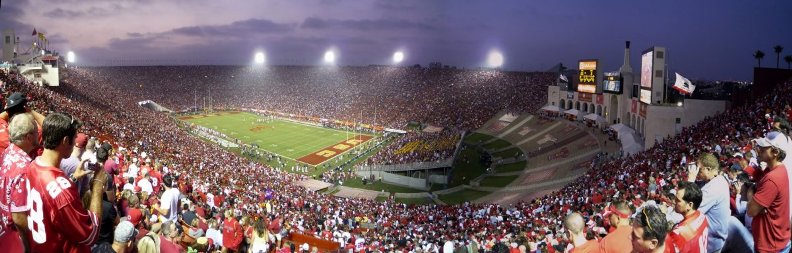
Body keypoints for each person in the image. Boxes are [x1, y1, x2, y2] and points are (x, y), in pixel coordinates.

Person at [22, 112, 109, 252]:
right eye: (74, 138)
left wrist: (73, 178)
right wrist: (98, 185)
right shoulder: (62, 190)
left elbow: (51, 201)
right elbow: (90, 234)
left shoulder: (33, 165)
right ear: (64, 140)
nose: (75, 143)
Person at [0, 113, 39, 253]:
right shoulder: (25, 169)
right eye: (36, 131)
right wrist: (28, 248)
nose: (38, 134)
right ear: (28, 137)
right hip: (15, 240)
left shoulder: (9, 150)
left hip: (4, 227)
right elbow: (19, 217)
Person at [749, 131, 792, 252]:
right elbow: (759, 179)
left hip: (771, 246)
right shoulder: (774, 169)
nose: (760, 149)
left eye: (764, 147)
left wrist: (751, 194)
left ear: (776, 152)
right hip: (775, 241)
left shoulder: (772, 178)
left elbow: (751, 211)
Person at [686, 153, 729, 253]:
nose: (698, 173)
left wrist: (691, 180)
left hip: (712, 243)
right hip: (711, 239)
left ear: (708, 169)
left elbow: (689, 208)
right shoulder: (718, 179)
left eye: (700, 170)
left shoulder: (715, 187)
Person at [668, 181, 709, 252]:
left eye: (678, 200)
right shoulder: (702, 216)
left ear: (690, 205)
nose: (674, 202)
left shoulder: (679, 233)